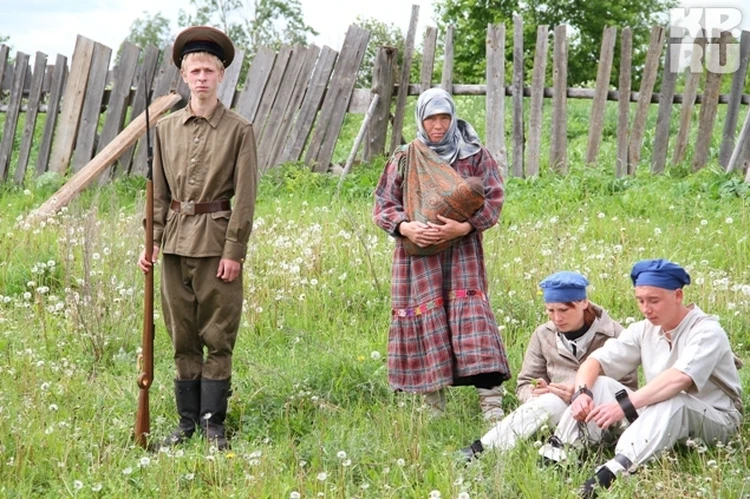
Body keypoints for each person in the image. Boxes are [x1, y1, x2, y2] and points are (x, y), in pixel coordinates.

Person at [137, 26, 258, 450]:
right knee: (182, 336)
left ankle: (212, 425)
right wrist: (151, 242)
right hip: (173, 246)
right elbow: (159, 192)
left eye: (209, 70)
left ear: (221, 76)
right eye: (195, 71)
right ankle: (186, 423)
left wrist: (234, 251)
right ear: (184, 78)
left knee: (217, 336)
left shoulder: (240, 130)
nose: (202, 77)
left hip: (217, 244)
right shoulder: (166, 130)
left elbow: (245, 196)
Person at [538, 259, 743, 498]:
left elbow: (679, 380)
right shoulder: (644, 329)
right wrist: (582, 393)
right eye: (640, 300)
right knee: (600, 383)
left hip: (717, 419)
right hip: (659, 412)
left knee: (674, 400)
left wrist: (623, 406)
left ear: (678, 295)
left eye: (654, 301)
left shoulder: (707, 331)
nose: (646, 309)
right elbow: (594, 362)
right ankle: (559, 453)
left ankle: (614, 470)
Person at [372, 88, 511, 421]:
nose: (438, 125)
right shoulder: (406, 156)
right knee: (426, 317)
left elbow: (493, 199)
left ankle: (491, 404)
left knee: (472, 319)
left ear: (453, 118)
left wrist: (463, 228)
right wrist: (406, 228)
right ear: (421, 118)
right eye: (431, 118)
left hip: (462, 254)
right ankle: (432, 404)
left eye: (444, 117)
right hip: (417, 258)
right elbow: (382, 204)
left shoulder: (474, 156)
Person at [460, 271, 637, 459]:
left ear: (584, 303)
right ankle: (484, 450)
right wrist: (535, 392)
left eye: (564, 310)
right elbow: (525, 383)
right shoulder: (543, 334)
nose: (557, 318)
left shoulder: (615, 333)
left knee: (599, 383)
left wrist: (579, 392)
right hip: (562, 410)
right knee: (548, 401)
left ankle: (560, 456)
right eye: (550, 311)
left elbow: (625, 385)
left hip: (607, 413)